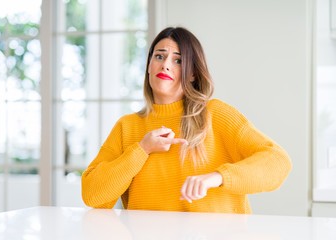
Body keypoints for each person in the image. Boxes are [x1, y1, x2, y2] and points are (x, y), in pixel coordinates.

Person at [81, 27, 292, 214]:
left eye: (178, 60)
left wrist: (217, 177)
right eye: (159, 57)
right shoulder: (127, 127)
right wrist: (141, 149)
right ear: (148, 66)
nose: (165, 66)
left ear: (192, 74)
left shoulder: (216, 114)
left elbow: (278, 162)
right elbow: (92, 196)